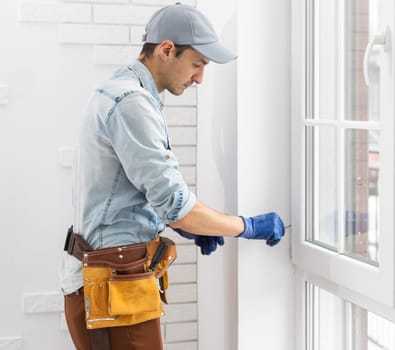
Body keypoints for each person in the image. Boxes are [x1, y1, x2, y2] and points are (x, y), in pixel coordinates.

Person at [60, 3, 285, 349]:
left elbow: (129, 191)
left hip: (109, 284)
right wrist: (248, 226)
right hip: (112, 287)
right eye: (197, 64)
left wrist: (182, 226)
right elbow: (177, 205)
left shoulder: (118, 89)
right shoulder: (132, 103)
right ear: (167, 50)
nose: (199, 78)